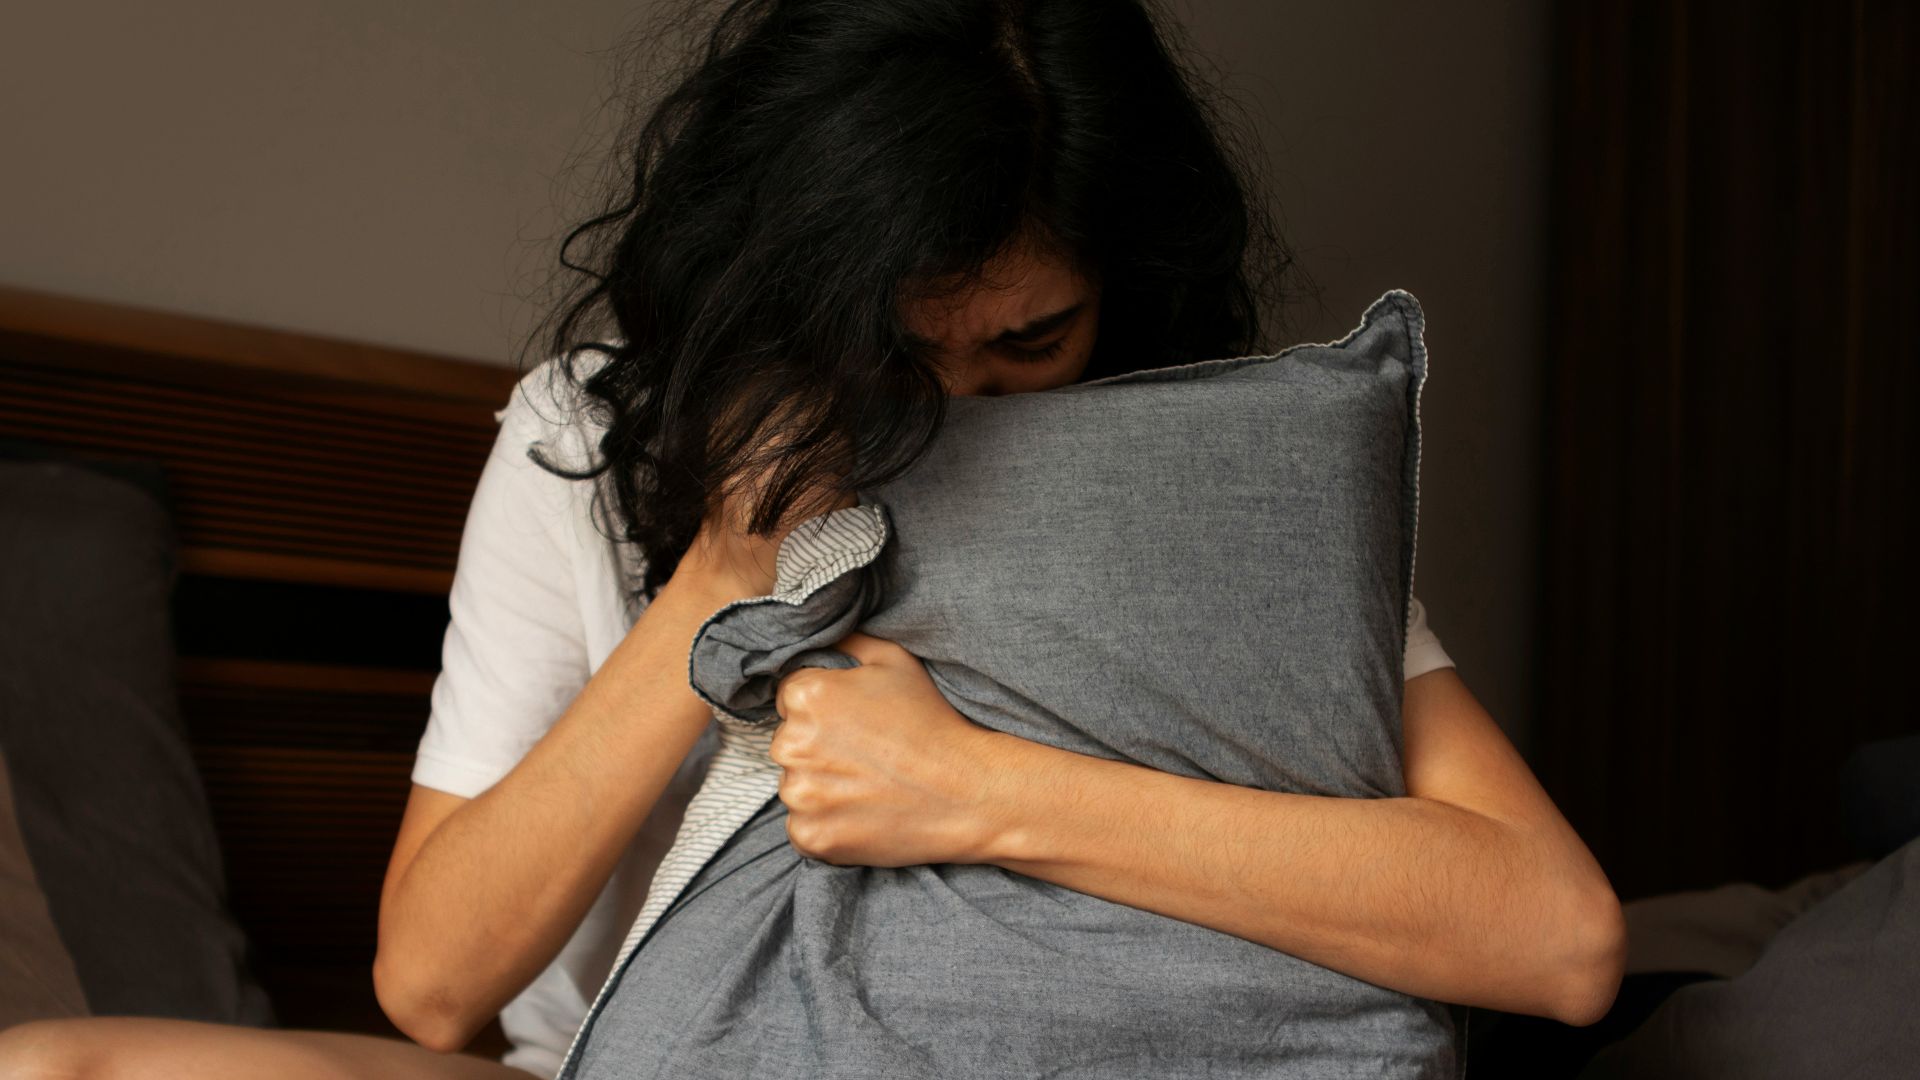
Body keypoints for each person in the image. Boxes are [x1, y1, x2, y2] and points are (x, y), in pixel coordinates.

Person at [0, 0, 1625, 1076]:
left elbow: (1555, 939)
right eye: (898, 347)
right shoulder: (589, 432)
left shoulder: (1219, 487)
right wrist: (719, 577)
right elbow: (433, 986)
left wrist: (984, 796)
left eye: (1030, 340)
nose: (959, 404)